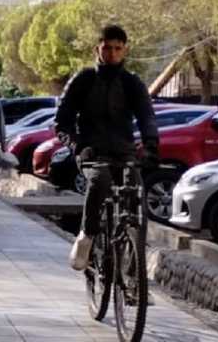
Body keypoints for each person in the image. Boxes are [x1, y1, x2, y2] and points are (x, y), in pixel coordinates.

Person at [56, 24, 158, 271]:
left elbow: (147, 116)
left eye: (117, 48)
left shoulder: (132, 83)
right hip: (91, 152)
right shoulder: (83, 80)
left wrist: (151, 144)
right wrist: (76, 145)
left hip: (124, 153)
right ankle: (87, 237)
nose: (112, 53)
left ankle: (135, 274)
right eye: (107, 48)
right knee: (99, 180)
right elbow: (62, 122)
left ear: (124, 50)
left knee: (136, 196)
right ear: (97, 49)